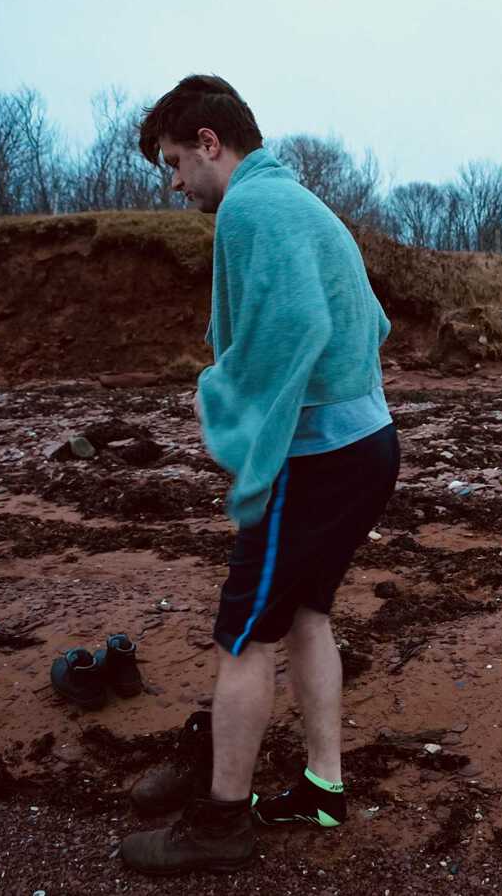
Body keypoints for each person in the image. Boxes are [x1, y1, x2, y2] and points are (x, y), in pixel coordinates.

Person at [118, 75, 398, 875]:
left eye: (173, 162)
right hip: (366, 442)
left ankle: (220, 825)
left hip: (317, 458)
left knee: (243, 635)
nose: (172, 183)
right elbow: (370, 319)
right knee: (305, 616)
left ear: (211, 143)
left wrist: (246, 430)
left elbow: (298, 326)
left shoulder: (250, 206)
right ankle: (323, 787)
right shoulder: (303, 202)